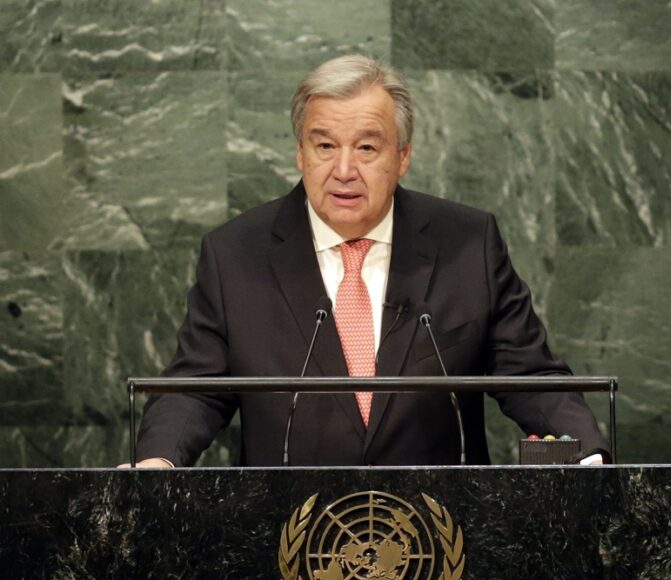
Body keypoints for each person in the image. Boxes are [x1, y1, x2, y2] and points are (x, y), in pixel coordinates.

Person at [125, 55, 609, 469]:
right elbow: (194, 388)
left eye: (367, 147)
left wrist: (589, 455)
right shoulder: (235, 254)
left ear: (402, 156)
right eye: (325, 145)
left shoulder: (467, 243)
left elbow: (527, 375)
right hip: (288, 540)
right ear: (299, 152)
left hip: (437, 541)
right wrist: (159, 460)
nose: (343, 171)